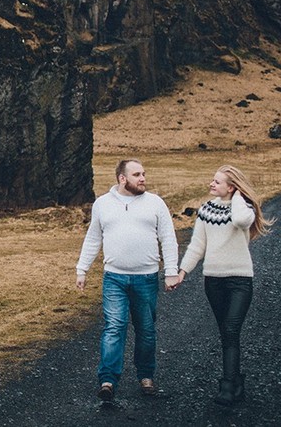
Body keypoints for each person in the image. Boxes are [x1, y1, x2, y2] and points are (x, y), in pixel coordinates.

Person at [76, 158, 180, 402]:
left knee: (146, 330)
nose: (142, 178)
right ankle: (108, 380)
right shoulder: (102, 204)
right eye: (136, 175)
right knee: (114, 327)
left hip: (146, 277)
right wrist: (82, 269)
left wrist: (171, 270)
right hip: (114, 278)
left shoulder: (155, 203)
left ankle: (146, 376)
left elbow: (168, 237)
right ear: (122, 179)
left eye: (143, 173)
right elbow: (93, 238)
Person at [173, 165, 274, 406]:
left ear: (230, 187)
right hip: (213, 281)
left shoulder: (244, 209)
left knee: (230, 330)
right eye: (212, 180)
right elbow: (197, 245)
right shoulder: (206, 209)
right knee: (227, 333)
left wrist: (238, 196)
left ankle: (228, 386)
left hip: (240, 280)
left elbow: (240, 220)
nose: (211, 184)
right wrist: (182, 272)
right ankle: (236, 381)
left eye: (217, 182)